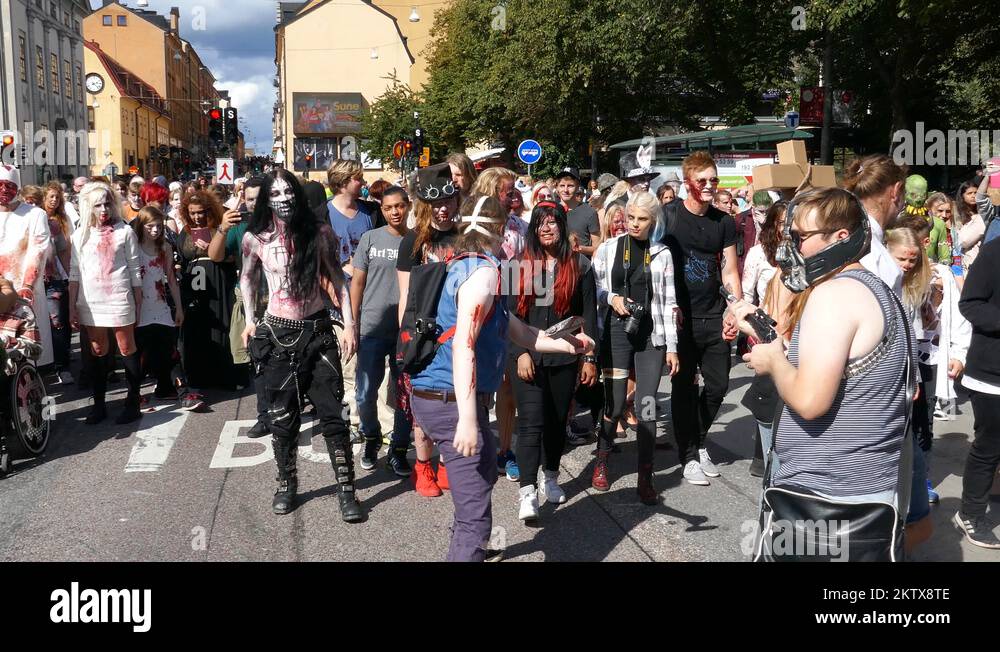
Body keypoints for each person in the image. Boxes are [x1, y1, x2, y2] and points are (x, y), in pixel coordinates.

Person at [409, 194, 594, 561]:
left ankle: (462, 540)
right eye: (512, 227)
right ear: (500, 232)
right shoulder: (485, 273)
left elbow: (519, 331)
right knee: (476, 519)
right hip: (450, 401)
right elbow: (464, 344)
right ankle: (465, 547)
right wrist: (466, 420)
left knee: (482, 479)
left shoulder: (470, 263)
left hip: (444, 396)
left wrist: (569, 346)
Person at [731, 187, 913, 559]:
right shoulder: (879, 289)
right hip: (864, 492)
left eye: (800, 237)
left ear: (840, 237)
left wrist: (773, 363)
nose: (791, 249)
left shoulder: (835, 294)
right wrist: (771, 340)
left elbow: (811, 401)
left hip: (825, 501)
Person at [240, 170, 361, 522]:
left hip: (318, 330)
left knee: (333, 415)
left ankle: (347, 489)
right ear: (267, 199)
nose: (283, 198)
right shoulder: (255, 239)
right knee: (282, 418)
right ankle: (286, 483)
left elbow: (338, 279)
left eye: (288, 191)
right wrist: (250, 319)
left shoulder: (319, 232)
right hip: (278, 332)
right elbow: (247, 278)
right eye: (275, 192)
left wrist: (349, 324)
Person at [510, 199, 598, 520]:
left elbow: (588, 315)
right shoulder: (518, 265)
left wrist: (590, 357)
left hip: (565, 356)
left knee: (556, 421)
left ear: (563, 225)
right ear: (533, 228)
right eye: (540, 223)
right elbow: (510, 316)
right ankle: (527, 490)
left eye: (553, 222)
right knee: (531, 422)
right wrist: (520, 353)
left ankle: (551, 476)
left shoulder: (580, 266)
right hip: (528, 356)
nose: (546, 228)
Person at [658, 151, 741, 486]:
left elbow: (731, 270)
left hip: (714, 315)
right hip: (680, 317)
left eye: (714, 180)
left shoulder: (724, 222)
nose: (709, 186)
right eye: (702, 180)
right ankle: (689, 455)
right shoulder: (669, 216)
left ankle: (698, 438)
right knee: (683, 387)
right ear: (687, 182)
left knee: (719, 385)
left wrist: (734, 308)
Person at [590, 190, 679, 502]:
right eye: (630, 218)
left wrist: (672, 346)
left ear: (653, 220)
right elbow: (596, 289)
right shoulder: (608, 249)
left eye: (642, 219)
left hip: (650, 335)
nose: (634, 224)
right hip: (616, 329)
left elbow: (669, 302)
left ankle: (645, 475)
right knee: (614, 403)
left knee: (647, 405)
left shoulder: (662, 253)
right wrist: (612, 298)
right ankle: (602, 459)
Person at [887, 226, 969, 508]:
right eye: (902, 259)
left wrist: (958, 352)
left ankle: (921, 478)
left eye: (913, 260)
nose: (908, 265)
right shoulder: (881, 281)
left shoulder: (934, 277)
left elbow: (951, 318)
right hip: (895, 365)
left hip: (926, 360)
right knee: (895, 423)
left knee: (923, 422)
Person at [397, 163, 461, 496]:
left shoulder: (466, 238)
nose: (443, 208)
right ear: (425, 205)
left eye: (449, 200)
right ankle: (423, 467)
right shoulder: (413, 241)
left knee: (457, 403)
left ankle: (447, 462)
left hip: (459, 334)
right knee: (421, 406)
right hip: (422, 335)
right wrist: (404, 345)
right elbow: (406, 297)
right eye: (437, 203)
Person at [69, 182, 144, 425]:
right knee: (98, 351)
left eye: (107, 204)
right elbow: (74, 274)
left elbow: (135, 270)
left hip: (119, 297)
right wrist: (72, 306)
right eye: (97, 205)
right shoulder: (79, 235)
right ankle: (99, 404)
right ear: (87, 207)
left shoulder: (125, 231)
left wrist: (138, 303)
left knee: (126, 348)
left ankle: (133, 401)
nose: (103, 210)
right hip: (91, 301)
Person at [351, 186, 413, 477]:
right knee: (364, 393)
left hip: (405, 332)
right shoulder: (370, 239)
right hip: (371, 327)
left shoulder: (417, 241)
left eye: (400, 206)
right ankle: (372, 436)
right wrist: (352, 323)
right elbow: (357, 284)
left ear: (408, 206)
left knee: (403, 395)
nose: (395, 212)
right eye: (389, 208)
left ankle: (399, 449)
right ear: (383, 209)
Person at [209, 176, 270, 436]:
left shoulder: (281, 223)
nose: (254, 204)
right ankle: (265, 415)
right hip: (251, 299)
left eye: (259, 198)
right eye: (249, 198)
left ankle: (289, 406)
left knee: (281, 358)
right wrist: (222, 228)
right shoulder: (238, 225)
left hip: (282, 298)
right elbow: (215, 255)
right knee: (258, 359)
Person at [955, 234, 1000, 548]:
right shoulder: (994, 252)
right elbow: (969, 302)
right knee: (990, 447)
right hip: (992, 374)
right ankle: (970, 513)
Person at [176, 189, 237, 409]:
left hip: (217, 282)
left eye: (200, 212)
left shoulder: (218, 228)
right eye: (192, 213)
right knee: (196, 330)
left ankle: (223, 375)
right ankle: (198, 376)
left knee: (221, 328)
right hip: (192, 286)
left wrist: (213, 250)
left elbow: (230, 256)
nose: (196, 217)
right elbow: (181, 258)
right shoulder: (185, 231)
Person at [0, 167, 53, 370]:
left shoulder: (35, 214)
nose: (4, 190)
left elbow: (38, 249)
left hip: (25, 289)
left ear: (18, 188)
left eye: (10, 186)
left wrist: (27, 285)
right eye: (0, 185)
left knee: (27, 343)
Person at [131, 206, 184, 403]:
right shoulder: (133, 246)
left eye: (159, 227)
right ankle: (135, 393)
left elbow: (171, 279)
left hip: (160, 302)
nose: (155, 231)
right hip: (139, 304)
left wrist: (178, 307)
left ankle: (170, 387)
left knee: (167, 347)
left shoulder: (165, 247)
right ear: (141, 226)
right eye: (150, 226)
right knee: (140, 351)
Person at [842, 155, 908, 297]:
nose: (903, 204)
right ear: (896, 191)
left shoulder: (842, 236)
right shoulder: (873, 252)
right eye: (905, 194)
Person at [43, 183, 75, 385]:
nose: (54, 200)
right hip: (28, 282)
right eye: (51, 197)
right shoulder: (26, 219)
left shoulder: (56, 223)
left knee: (58, 323)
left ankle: (62, 366)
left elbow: (64, 252)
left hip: (53, 280)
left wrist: (72, 278)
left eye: (57, 197)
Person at [556, 167, 603, 258]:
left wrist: (576, 248)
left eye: (570, 186)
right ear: (557, 187)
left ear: (577, 187)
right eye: (562, 185)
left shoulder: (589, 212)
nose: (565, 190)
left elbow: (597, 248)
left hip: (580, 267)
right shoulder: (551, 210)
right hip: (554, 267)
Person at [734, 191, 774, 277]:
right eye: (761, 211)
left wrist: (766, 223)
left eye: (767, 211)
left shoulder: (773, 217)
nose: (765, 214)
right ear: (753, 206)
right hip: (748, 261)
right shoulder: (741, 219)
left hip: (768, 259)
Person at [954, 180, 986, 270]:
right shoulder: (957, 212)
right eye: (969, 193)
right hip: (962, 255)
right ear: (962, 196)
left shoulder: (982, 213)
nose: (973, 196)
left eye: (975, 192)